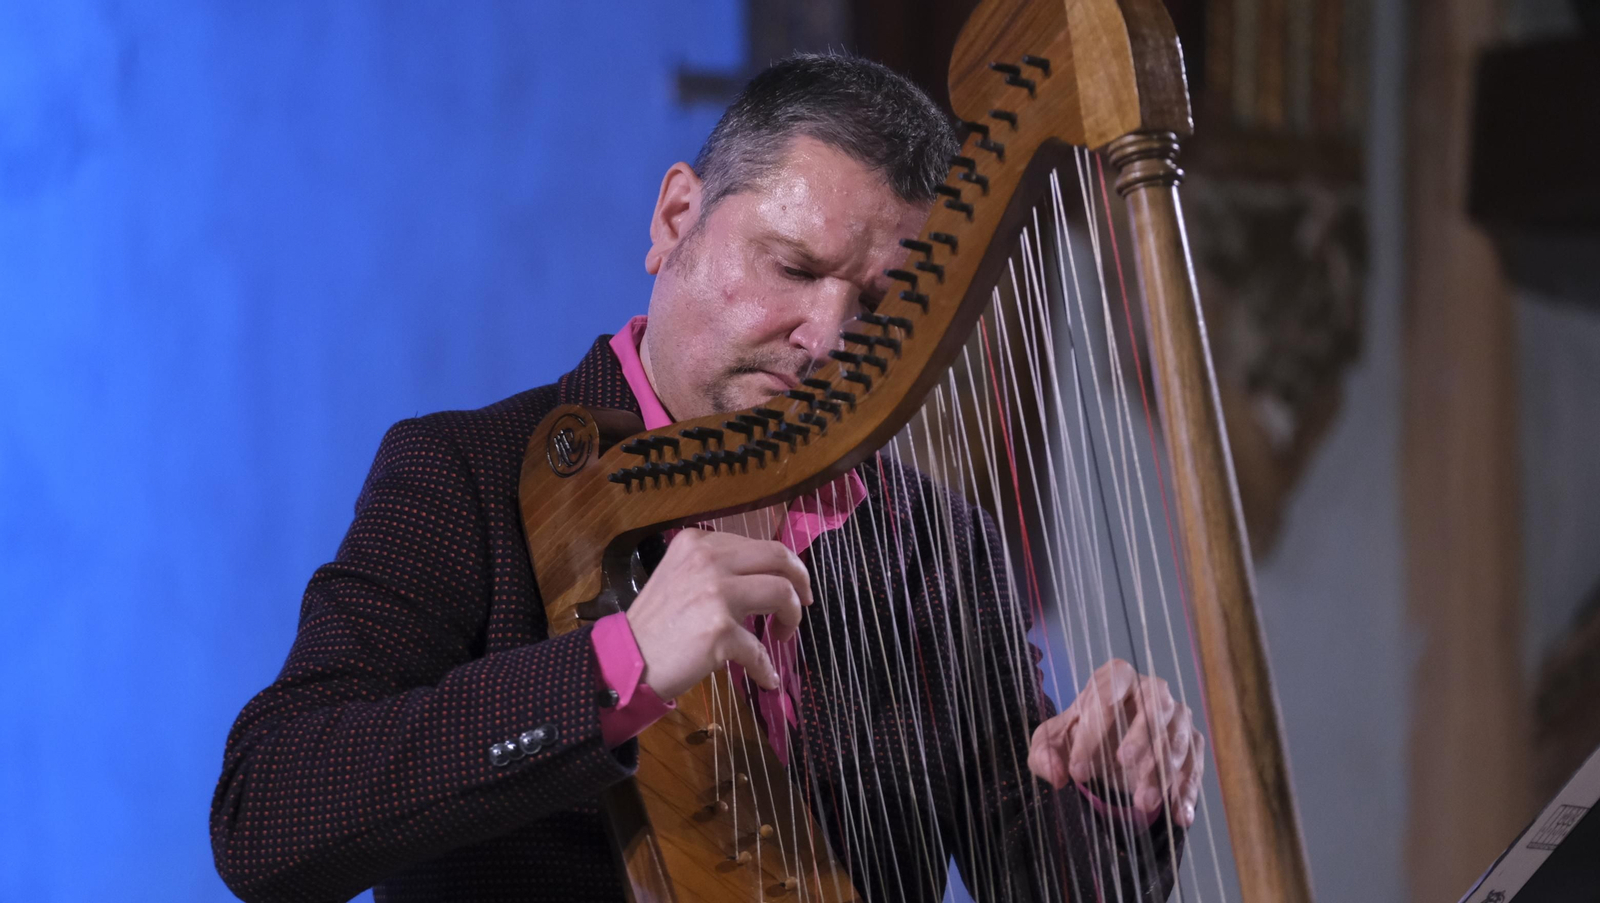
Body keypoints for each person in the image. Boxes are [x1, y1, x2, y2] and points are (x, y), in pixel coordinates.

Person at [211, 53, 1204, 903]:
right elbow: (267, 815)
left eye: (877, 307)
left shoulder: (937, 549)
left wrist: (1115, 788)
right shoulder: (463, 475)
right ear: (675, 216)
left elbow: (1034, 873)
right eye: (791, 266)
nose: (826, 337)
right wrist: (613, 667)